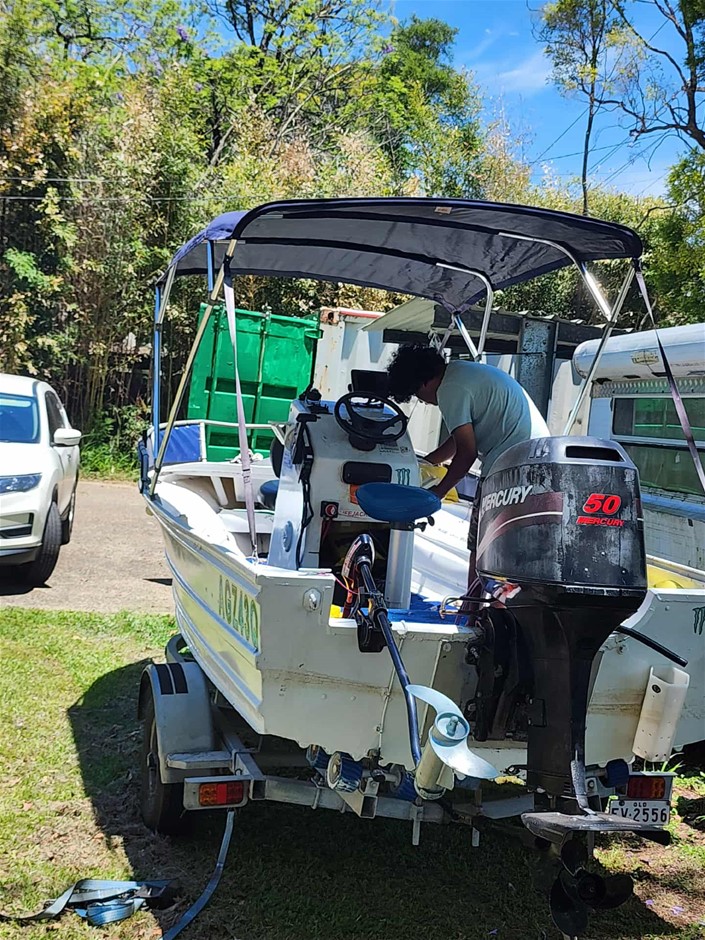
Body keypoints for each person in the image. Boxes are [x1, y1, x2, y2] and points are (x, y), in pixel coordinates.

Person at [386, 344, 550, 608]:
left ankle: (472, 607)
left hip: (509, 466)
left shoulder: (449, 390)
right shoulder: (462, 374)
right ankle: (492, 605)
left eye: (418, 395)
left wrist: (437, 493)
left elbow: (466, 453)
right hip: (540, 462)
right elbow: (459, 438)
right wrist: (427, 462)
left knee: (482, 543)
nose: (424, 401)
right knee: (512, 542)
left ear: (424, 382)